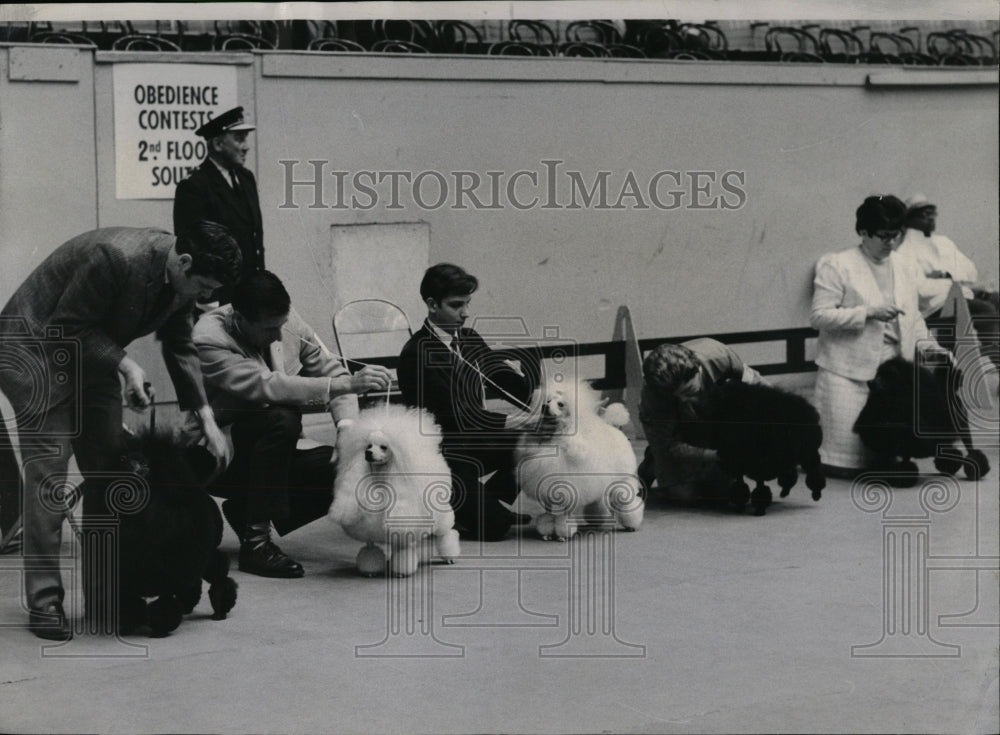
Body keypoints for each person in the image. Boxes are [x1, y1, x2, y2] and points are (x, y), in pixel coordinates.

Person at [0, 222, 240, 640]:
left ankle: (105, 598)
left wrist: (206, 420)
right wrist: (127, 366)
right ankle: (45, 604)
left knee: (111, 471)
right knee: (49, 479)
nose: (206, 298)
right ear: (183, 263)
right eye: (203, 287)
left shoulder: (181, 278)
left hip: (90, 354)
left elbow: (181, 345)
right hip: (35, 352)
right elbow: (66, 327)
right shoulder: (115, 257)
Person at [190, 271, 392, 577]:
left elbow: (333, 373)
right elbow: (269, 386)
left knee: (342, 467)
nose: (278, 336)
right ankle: (256, 543)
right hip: (219, 455)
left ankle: (247, 510)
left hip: (272, 448)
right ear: (241, 319)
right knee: (283, 416)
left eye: (281, 326)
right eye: (270, 329)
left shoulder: (286, 321)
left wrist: (347, 431)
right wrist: (350, 384)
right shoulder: (208, 338)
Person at [397, 263, 538, 541]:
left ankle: (486, 504)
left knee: (535, 442)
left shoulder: (470, 339)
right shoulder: (415, 354)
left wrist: (531, 386)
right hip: (443, 455)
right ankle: (464, 507)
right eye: (456, 305)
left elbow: (507, 383)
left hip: (474, 441)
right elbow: (454, 415)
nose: (466, 313)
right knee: (496, 529)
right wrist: (514, 420)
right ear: (431, 304)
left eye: (468, 303)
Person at [810, 194, 941, 476]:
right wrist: (867, 312)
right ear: (863, 232)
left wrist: (932, 347)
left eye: (896, 236)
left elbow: (913, 317)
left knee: (884, 454)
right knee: (843, 466)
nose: (890, 243)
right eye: (883, 236)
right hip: (846, 370)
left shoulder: (905, 265)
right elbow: (819, 316)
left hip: (892, 371)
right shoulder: (838, 264)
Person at [637, 339, 765, 503]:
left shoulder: (721, 357)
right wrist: (721, 454)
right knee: (685, 496)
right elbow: (670, 445)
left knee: (719, 489)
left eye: (689, 390)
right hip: (667, 425)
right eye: (678, 396)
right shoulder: (654, 395)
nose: (684, 400)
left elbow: (762, 389)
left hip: (710, 406)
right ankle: (653, 461)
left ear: (697, 369)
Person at [897, 193, 999, 368]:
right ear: (910, 218)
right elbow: (920, 288)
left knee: (997, 299)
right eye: (923, 213)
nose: (929, 217)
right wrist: (952, 281)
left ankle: (990, 355)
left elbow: (970, 271)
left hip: (961, 294)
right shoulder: (905, 248)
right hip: (934, 305)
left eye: (931, 212)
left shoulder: (944, 242)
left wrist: (946, 276)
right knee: (985, 310)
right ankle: (994, 359)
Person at [174, 106, 264, 294]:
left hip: (249, 290)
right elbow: (192, 248)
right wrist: (206, 299)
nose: (246, 146)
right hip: (216, 293)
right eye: (239, 139)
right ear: (217, 144)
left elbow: (254, 239)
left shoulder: (246, 178)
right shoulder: (195, 186)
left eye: (245, 138)